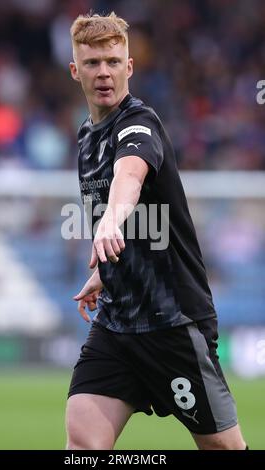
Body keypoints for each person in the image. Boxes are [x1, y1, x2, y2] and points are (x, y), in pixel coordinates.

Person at [66, 12, 247, 450]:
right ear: (75, 71)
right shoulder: (87, 137)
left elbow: (130, 179)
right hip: (117, 323)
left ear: (129, 67)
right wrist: (104, 269)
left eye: (113, 61)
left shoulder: (139, 125)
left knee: (222, 448)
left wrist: (111, 219)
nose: (104, 72)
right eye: (92, 63)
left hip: (172, 325)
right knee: (84, 443)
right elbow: (141, 225)